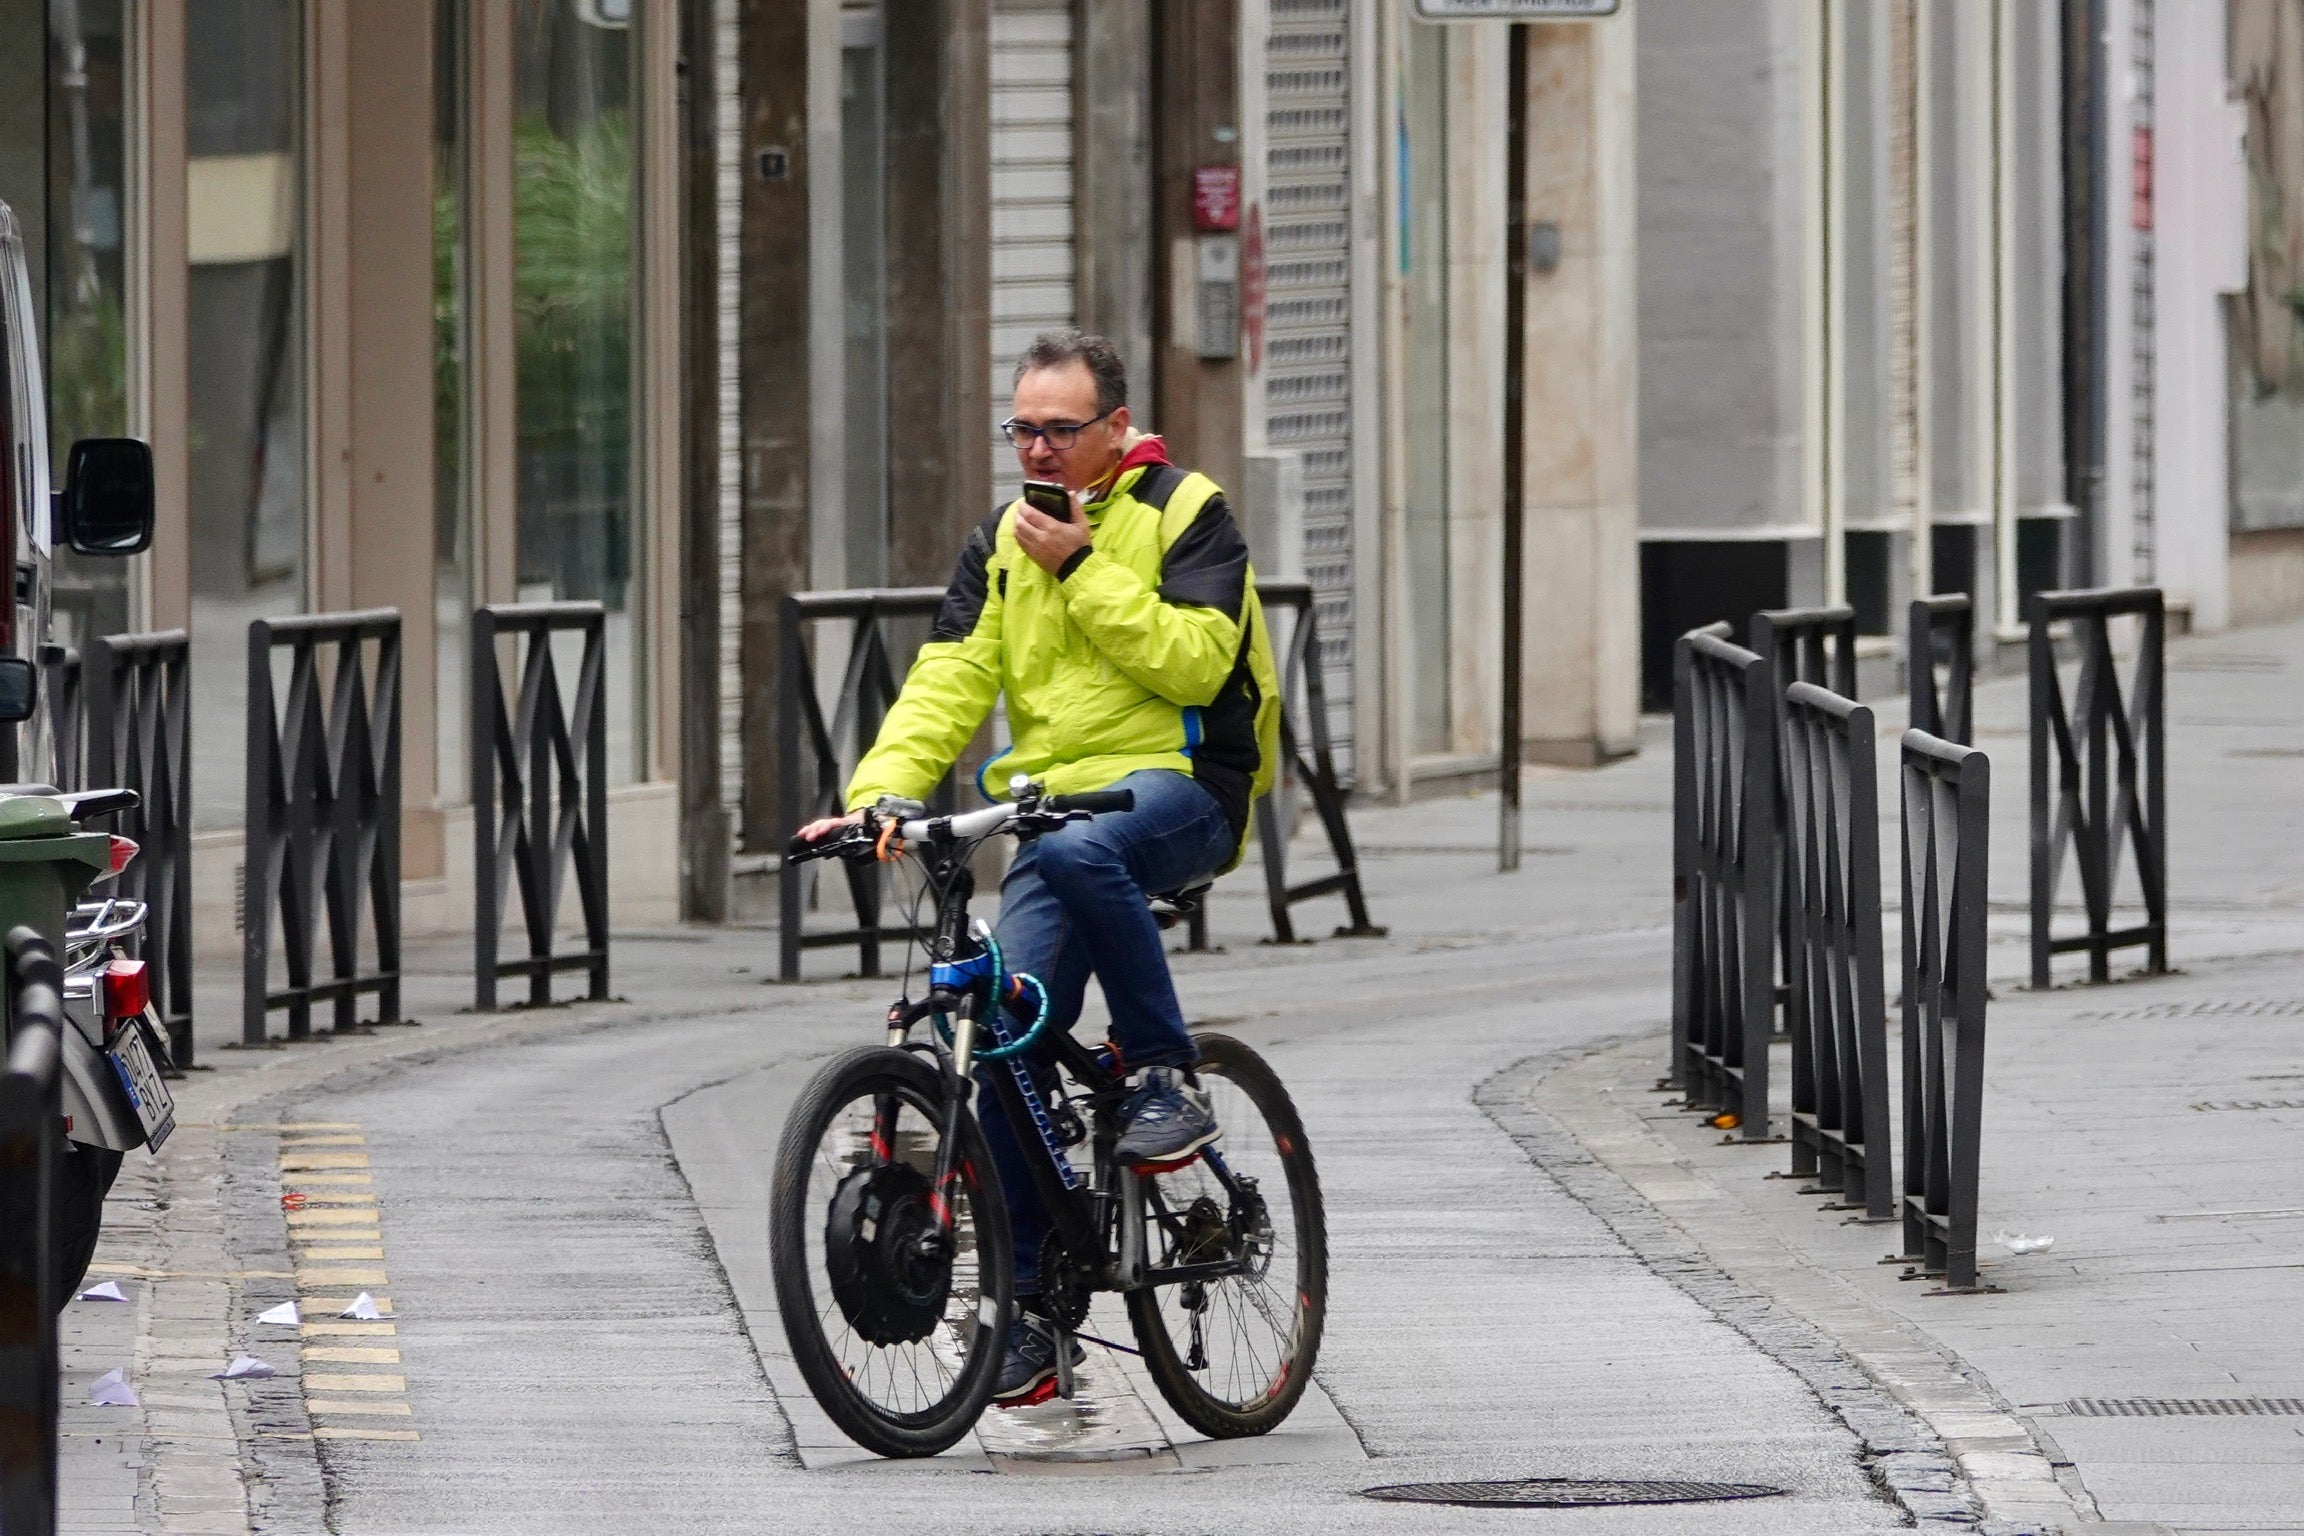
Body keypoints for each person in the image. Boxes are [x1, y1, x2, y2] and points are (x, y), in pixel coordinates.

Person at [795, 329, 1279, 1407]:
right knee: (997, 1028)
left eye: (1062, 429)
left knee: (1084, 843)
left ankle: (1161, 1072)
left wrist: (1087, 569)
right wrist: (881, 794)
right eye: (1024, 428)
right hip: (1048, 809)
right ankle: (1032, 1309)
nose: (1040, 450)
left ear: (1116, 429)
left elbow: (1201, 660)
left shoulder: (1185, 511)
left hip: (1180, 785)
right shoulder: (998, 541)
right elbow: (948, 678)